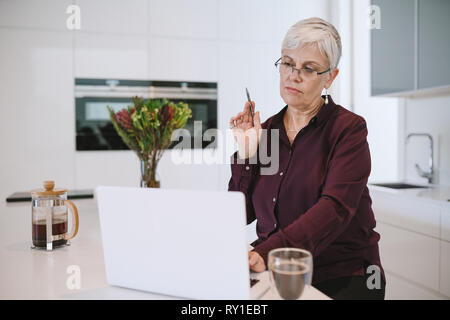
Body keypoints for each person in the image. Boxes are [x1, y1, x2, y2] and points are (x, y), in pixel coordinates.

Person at [228, 17, 385, 300]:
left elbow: (334, 209)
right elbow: (241, 214)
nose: (293, 75)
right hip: (275, 273)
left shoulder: (348, 130)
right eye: (288, 63)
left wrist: (266, 252)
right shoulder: (266, 132)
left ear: (330, 77)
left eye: (308, 68)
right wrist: (246, 153)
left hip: (341, 274)